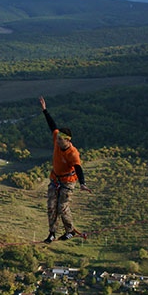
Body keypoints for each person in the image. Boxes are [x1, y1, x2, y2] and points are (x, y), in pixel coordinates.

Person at [39, 96, 90, 243]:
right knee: (51, 207)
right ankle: (52, 233)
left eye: (61, 139)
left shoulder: (72, 153)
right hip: (55, 179)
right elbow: (52, 126)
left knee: (62, 207)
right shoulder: (57, 138)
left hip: (68, 181)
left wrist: (82, 183)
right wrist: (45, 111)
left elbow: (78, 168)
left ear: (68, 140)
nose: (57, 141)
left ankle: (70, 231)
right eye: (58, 138)